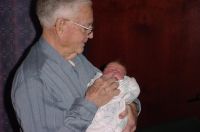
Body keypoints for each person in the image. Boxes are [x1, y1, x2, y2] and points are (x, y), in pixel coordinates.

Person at [11, 0, 141, 132]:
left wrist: (132, 108)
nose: (91, 35)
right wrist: (90, 104)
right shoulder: (33, 80)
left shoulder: (75, 57)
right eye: (86, 27)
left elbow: (114, 88)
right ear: (61, 25)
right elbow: (96, 99)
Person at [86, 62, 140, 132]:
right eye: (110, 69)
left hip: (117, 111)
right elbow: (89, 88)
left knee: (120, 124)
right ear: (102, 72)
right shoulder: (97, 78)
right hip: (99, 111)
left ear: (124, 76)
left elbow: (135, 91)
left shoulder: (126, 82)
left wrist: (130, 102)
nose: (114, 71)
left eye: (119, 71)